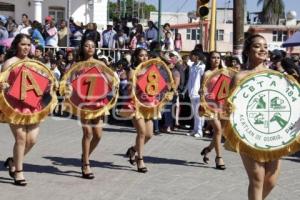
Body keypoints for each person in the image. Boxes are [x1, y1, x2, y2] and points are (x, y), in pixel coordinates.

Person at [230, 34, 280, 200]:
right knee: (258, 178)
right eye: (257, 46)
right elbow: (229, 107)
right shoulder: (239, 77)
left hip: (273, 133)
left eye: (265, 46)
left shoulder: (275, 76)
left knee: (271, 181)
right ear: (248, 51)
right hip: (248, 133)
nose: (263, 49)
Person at [1, 34, 42, 186]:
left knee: (32, 140)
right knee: (21, 138)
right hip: (14, 105)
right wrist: (3, 87)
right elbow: (2, 83)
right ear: (16, 45)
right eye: (23, 44)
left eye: (28, 44)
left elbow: (40, 83)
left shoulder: (34, 63)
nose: (26, 47)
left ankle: (12, 161)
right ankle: (18, 172)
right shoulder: (9, 63)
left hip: (32, 105)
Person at [68, 38, 107, 179]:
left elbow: (109, 80)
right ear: (82, 48)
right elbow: (69, 82)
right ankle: (86, 164)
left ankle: (85, 156)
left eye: (93, 46)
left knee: (98, 135)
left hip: (98, 102)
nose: (90, 48)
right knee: (88, 133)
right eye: (87, 45)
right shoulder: (77, 65)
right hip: (83, 103)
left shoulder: (101, 64)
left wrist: (113, 83)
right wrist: (68, 89)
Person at [125, 48, 153, 173]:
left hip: (148, 105)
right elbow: (129, 90)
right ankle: (140, 159)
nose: (144, 58)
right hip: (136, 105)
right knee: (141, 132)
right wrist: (131, 86)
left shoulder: (151, 70)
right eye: (141, 56)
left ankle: (133, 150)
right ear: (136, 57)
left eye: (146, 55)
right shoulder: (132, 71)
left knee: (149, 135)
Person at [199, 51, 226, 170]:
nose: (216, 60)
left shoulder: (225, 72)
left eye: (218, 58)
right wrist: (204, 93)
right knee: (218, 130)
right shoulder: (207, 73)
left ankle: (208, 149)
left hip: (222, 105)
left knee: (219, 133)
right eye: (214, 58)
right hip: (210, 106)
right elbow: (202, 90)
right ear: (210, 60)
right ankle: (219, 158)